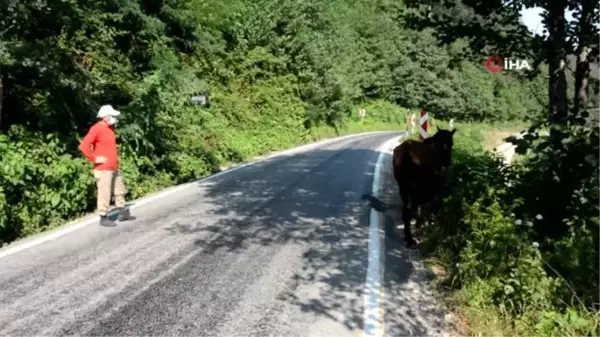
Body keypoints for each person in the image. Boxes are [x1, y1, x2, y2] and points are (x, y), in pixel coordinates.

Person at [79, 105, 136, 227]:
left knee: (119, 190)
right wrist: (94, 158)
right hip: (103, 169)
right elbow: (84, 145)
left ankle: (122, 212)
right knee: (104, 192)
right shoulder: (96, 129)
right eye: (113, 116)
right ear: (105, 117)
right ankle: (103, 217)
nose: (115, 118)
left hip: (114, 166)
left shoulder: (110, 129)